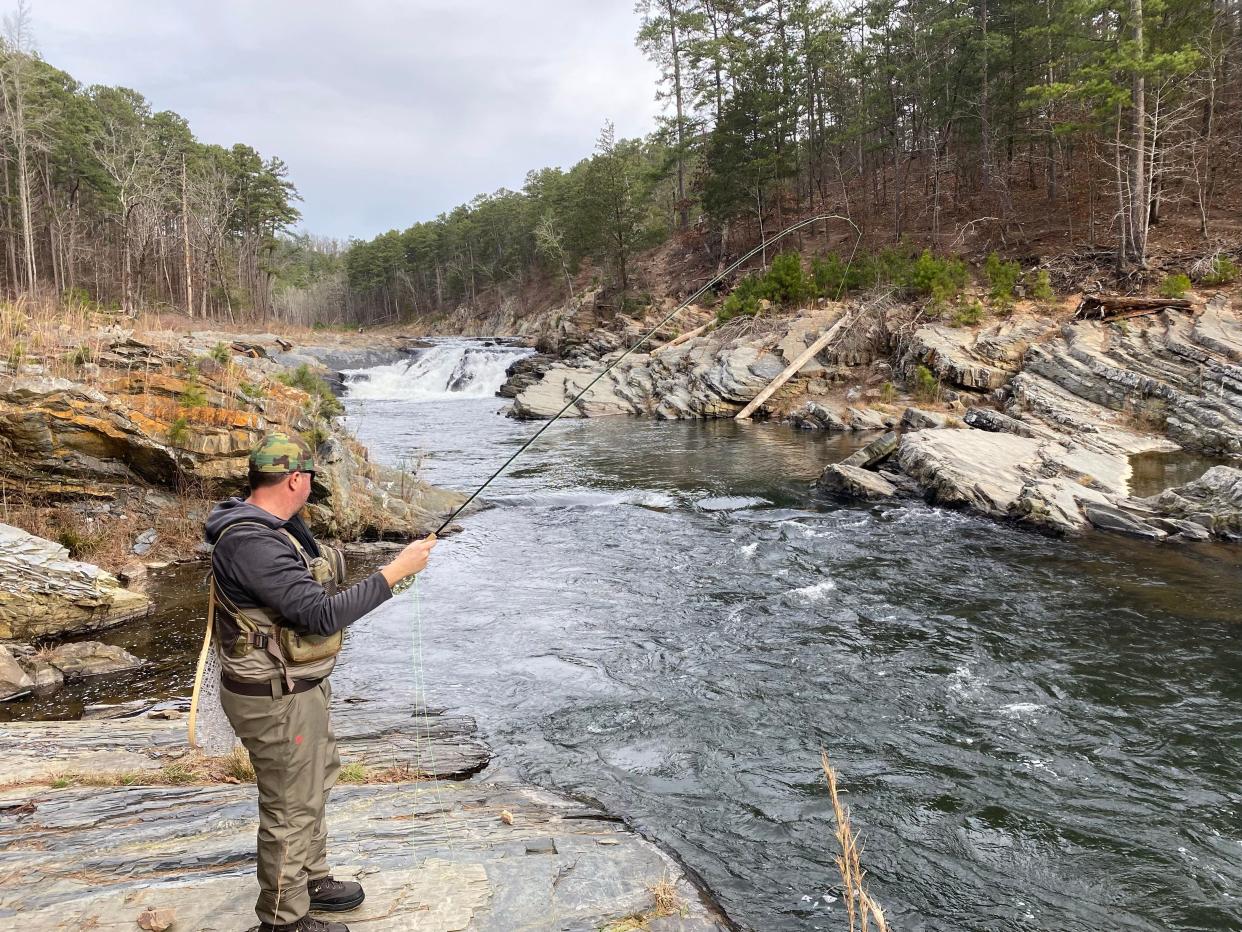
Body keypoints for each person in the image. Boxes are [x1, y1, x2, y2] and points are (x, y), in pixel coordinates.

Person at [204, 431, 436, 932]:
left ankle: (311, 877)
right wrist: (395, 572)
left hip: (296, 688)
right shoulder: (252, 542)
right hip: (275, 697)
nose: (312, 490)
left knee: (312, 783)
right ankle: (284, 921)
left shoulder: (277, 526)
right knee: (290, 803)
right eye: (310, 481)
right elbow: (319, 615)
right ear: (294, 479)